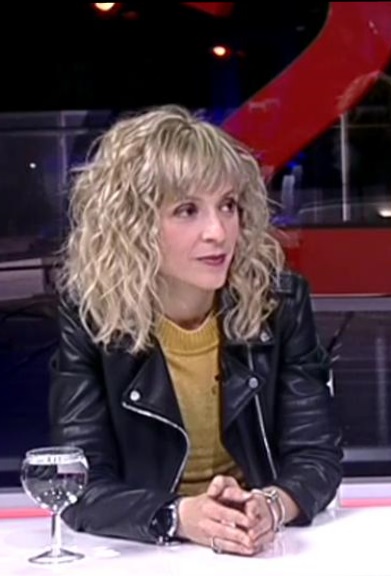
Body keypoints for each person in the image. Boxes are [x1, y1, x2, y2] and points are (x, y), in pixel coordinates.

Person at [49, 105, 344, 555]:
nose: (218, 232)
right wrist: (178, 516)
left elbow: (316, 457)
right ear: (133, 226)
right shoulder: (92, 317)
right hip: (146, 551)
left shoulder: (279, 303)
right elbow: (79, 482)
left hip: (261, 548)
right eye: (187, 210)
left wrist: (270, 506)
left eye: (228, 205)